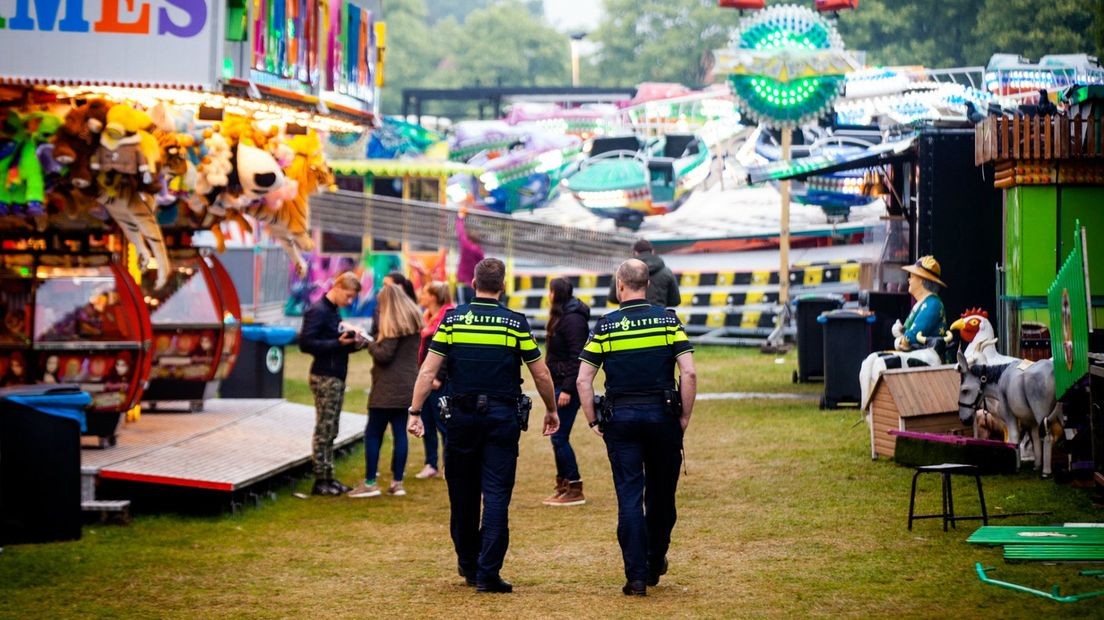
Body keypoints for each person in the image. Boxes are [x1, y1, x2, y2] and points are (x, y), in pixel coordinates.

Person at [407, 258, 559, 594]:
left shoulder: (452, 319)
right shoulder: (514, 323)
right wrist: (550, 408)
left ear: (473, 283)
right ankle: (488, 572)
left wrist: (415, 411)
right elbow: (541, 373)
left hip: (461, 419)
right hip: (502, 418)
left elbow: (428, 372)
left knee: (462, 493)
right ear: (502, 286)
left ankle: (468, 564)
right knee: (496, 496)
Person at [577, 258, 697, 597]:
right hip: (663, 417)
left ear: (620, 285)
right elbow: (688, 372)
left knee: (629, 495)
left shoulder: (606, 325)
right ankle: (654, 559)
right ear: (646, 283)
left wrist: (592, 419)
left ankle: (636, 577)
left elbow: (584, 380)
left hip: (622, 420)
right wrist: (684, 416)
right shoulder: (668, 322)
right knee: (662, 496)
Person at [348, 285, 424, 498]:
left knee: (373, 433)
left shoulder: (393, 325)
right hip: (407, 386)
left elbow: (384, 355)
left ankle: (371, 482)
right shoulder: (413, 319)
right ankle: (397, 482)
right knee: (400, 434)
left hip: (386, 388)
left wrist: (367, 342)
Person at [298, 272, 361, 497]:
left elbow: (336, 344)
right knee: (324, 429)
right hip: (325, 376)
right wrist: (337, 343)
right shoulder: (318, 310)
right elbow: (305, 343)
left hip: (335, 375)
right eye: (350, 296)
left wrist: (355, 343)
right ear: (339, 287)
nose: (350, 301)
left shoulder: (333, 311)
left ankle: (329, 477)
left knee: (331, 428)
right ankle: (321, 480)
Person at [541, 277, 591, 507]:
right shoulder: (562, 316)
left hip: (566, 386)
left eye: (550, 291)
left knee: (559, 436)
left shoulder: (573, 320)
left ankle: (574, 485)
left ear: (556, 293)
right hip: (558, 383)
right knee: (556, 437)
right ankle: (563, 484)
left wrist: (568, 389)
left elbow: (577, 357)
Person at [414, 281, 455, 480]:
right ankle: (431, 464)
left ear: (433, 296)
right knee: (427, 422)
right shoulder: (428, 317)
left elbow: (448, 351)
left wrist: (439, 377)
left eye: (424, 293)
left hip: (439, 382)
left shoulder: (447, 317)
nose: (421, 296)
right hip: (425, 378)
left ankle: (450, 464)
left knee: (445, 423)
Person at [893, 255, 948, 351]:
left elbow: (910, 339)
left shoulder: (933, 304)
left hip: (930, 358)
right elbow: (907, 331)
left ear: (922, 280)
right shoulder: (921, 303)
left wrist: (899, 340)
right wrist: (901, 330)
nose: (909, 280)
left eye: (912, 276)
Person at [607, 239, 681, 308]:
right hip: (658, 316)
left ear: (636, 252)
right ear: (652, 251)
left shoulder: (623, 271)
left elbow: (613, 298)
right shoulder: (667, 272)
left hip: (630, 316)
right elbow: (675, 301)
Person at [455, 207, 485, 306]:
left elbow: (460, 233)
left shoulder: (467, 246)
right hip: (474, 287)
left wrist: (460, 217)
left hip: (463, 284)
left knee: (462, 310)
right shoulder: (480, 252)